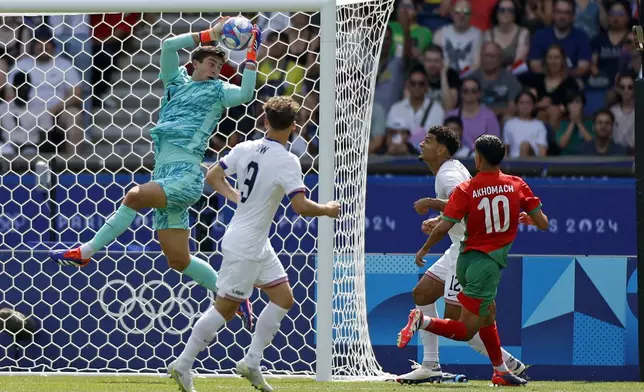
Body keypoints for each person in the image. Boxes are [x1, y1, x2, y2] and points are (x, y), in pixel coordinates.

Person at [49, 17, 260, 328]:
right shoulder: (175, 84)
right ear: (196, 64)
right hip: (163, 171)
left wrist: (252, 56)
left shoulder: (218, 91)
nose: (216, 69)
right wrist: (210, 33)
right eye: (211, 63)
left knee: (134, 195)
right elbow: (168, 45)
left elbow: (246, 95)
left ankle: (86, 251)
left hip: (187, 174)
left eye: (219, 65)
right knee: (179, 261)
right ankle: (233, 296)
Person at [167, 96, 341, 392]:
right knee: (225, 309)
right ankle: (182, 364)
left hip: (255, 241)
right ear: (295, 127)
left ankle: (252, 361)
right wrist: (327, 209)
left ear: (265, 121)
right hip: (246, 244)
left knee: (284, 298)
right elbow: (300, 206)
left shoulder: (244, 147)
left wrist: (235, 197)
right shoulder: (288, 160)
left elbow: (213, 174)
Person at [397, 134, 549, 386]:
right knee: (452, 315)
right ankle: (432, 357)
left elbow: (463, 203)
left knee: (467, 316)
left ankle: (502, 366)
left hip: (464, 252)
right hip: (476, 257)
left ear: (478, 158)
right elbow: (542, 222)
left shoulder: (455, 178)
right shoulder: (514, 183)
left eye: (428, 140)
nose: (422, 144)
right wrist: (532, 217)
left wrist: (431, 209)